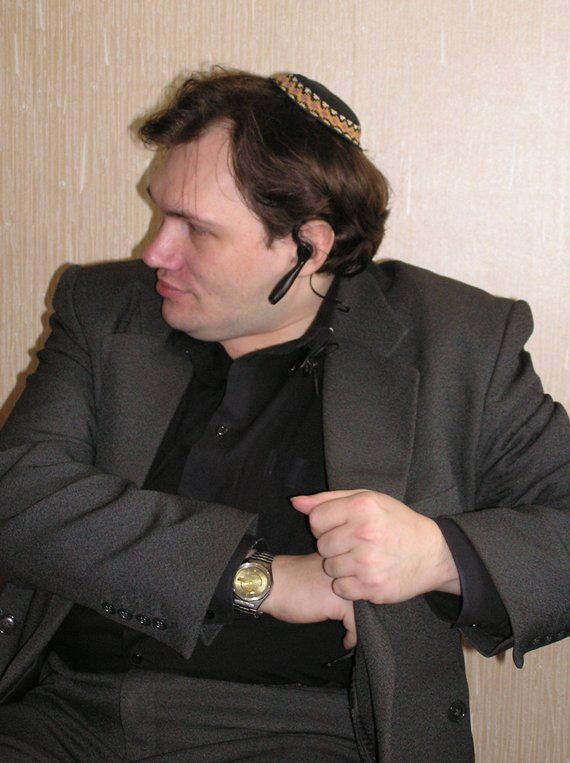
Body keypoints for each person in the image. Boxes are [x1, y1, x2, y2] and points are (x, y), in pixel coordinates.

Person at [0, 69, 568, 762]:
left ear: (309, 246)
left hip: (308, 730)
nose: (154, 252)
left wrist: (436, 554)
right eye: (160, 211)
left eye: (195, 229)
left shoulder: (457, 342)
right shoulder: (103, 307)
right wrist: (262, 579)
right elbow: (19, 493)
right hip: (66, 714)